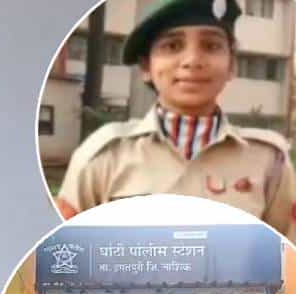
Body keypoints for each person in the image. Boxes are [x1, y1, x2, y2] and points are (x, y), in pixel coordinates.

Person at [54, 0, 296, 238]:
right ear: (146, 67)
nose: (192, 61)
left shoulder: (269, 161)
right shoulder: (104, 156)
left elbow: (287, 254)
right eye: (172, 46)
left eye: (211, 46)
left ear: (232, 65)